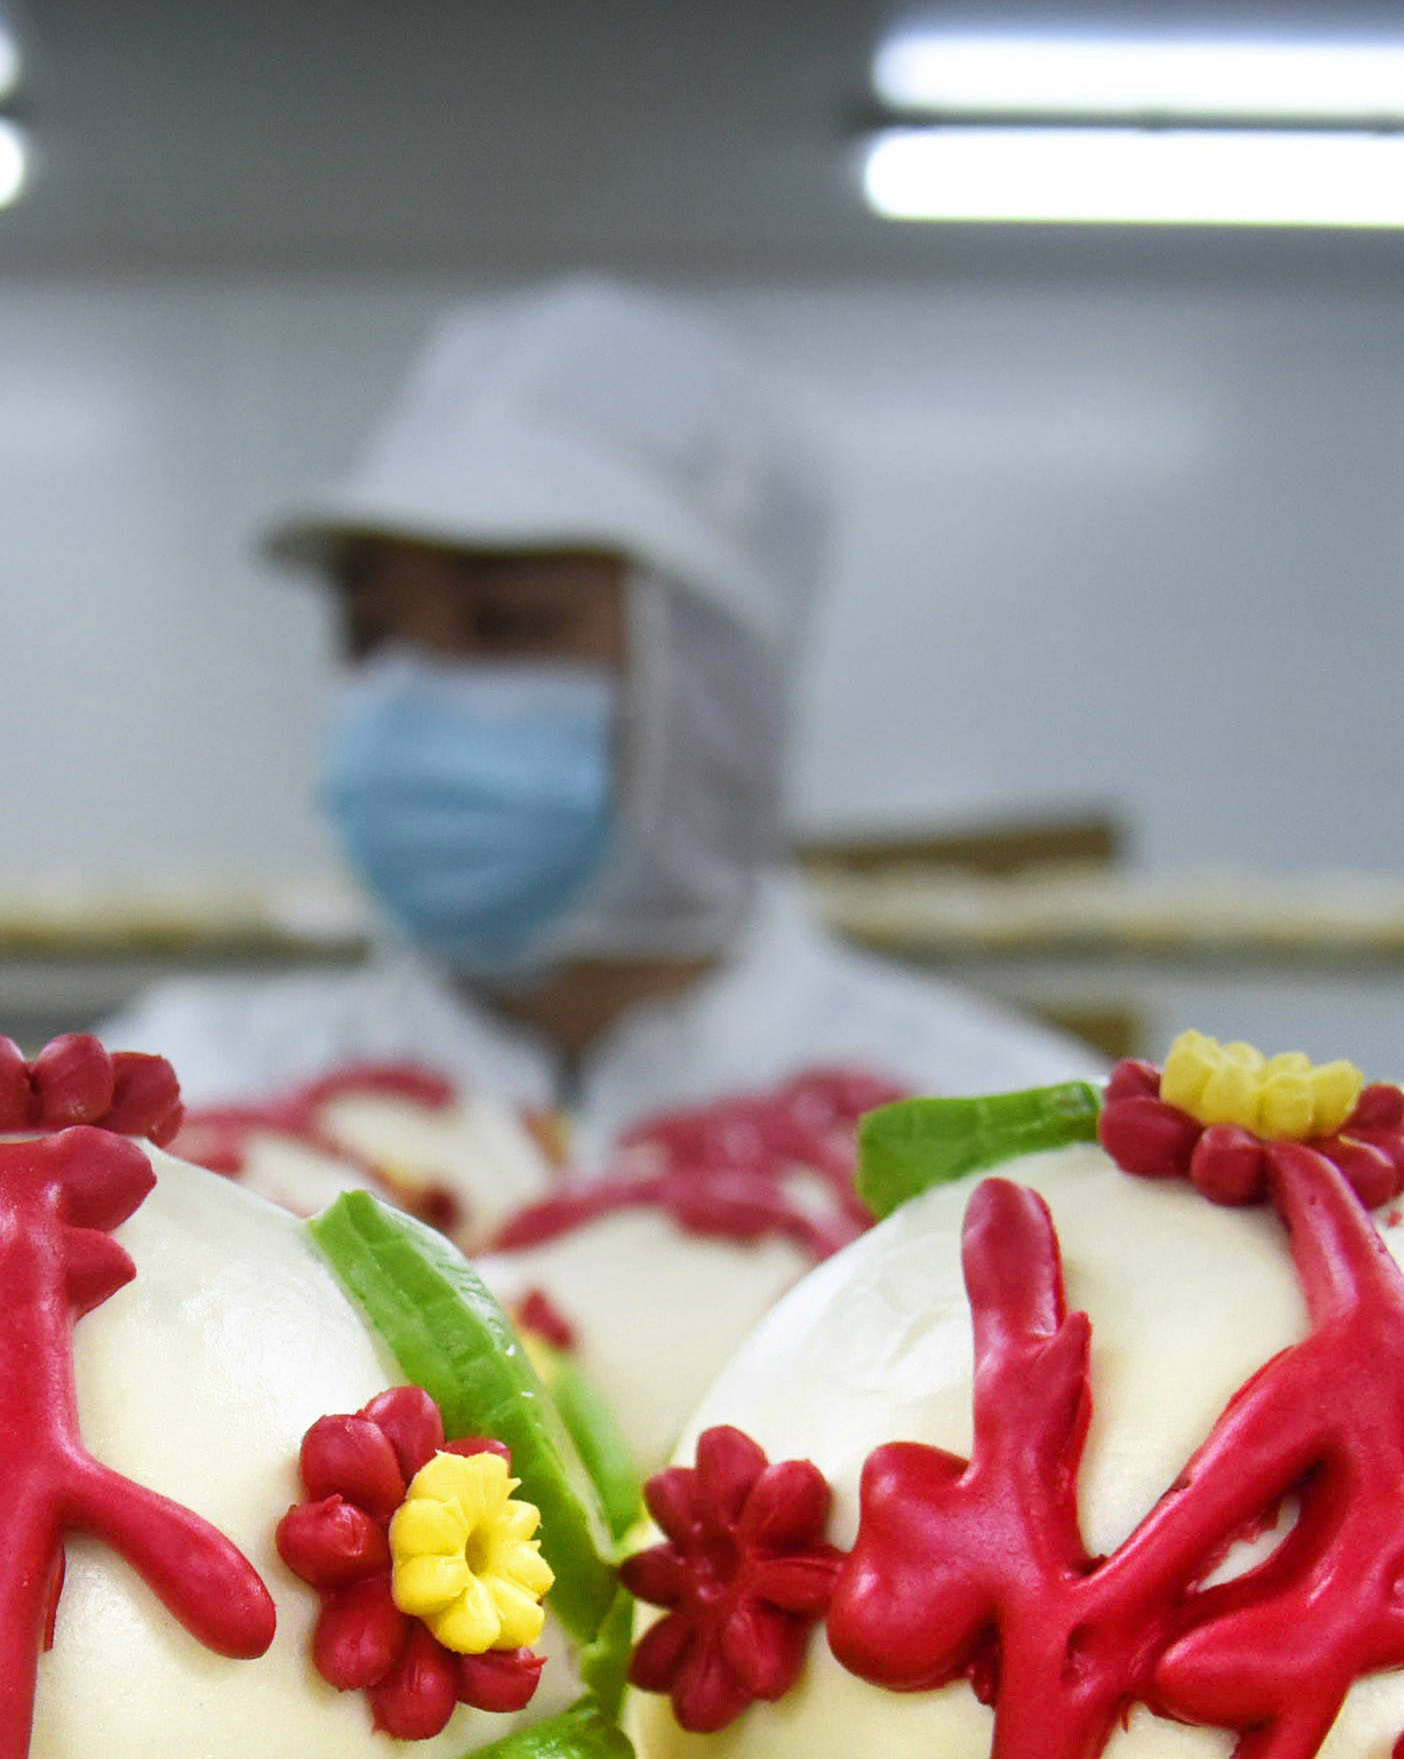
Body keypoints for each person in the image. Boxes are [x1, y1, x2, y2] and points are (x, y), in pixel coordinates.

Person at [105, 277, 1087, 1134]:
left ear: (711, 685)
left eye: (507, 622)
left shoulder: (995, 1131)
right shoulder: (190, 1111)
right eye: (370, 636)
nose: (409, 698)